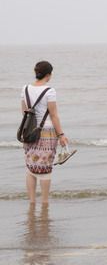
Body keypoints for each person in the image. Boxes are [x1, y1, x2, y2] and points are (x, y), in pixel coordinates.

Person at [21, 61, 69, 204]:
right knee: (46, 168)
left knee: (31, 167)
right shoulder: (50, 91)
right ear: (49, 75)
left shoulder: (25, 89)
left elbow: (24, 112)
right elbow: (53, 115)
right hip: (46, 132)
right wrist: (61, 135)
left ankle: (32, 202)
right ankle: (45, 202)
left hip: (29, 131)